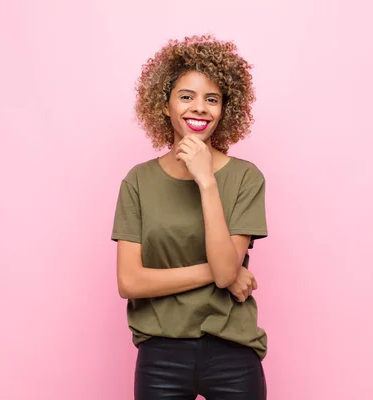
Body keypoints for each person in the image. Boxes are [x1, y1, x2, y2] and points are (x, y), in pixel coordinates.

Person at [111, 34, 268, 400]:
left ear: (224, 109)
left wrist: (206, 181)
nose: (199, 107)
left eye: (211, 99)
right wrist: (221, 274)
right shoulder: (138, 181)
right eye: (187, 96)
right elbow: (130, 282)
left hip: (234, 351)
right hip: (161, 355)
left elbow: (228, 271)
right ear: (164, 105)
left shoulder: (246, 178)